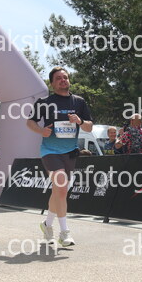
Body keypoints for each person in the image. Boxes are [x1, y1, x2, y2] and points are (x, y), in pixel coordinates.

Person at [27, 66, 93, 246]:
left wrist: (80, 121)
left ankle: (47, 224)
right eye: (58, 78)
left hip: (70, 152)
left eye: (65, 77)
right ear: (52, 83)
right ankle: (64, 233)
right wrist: (41, 131)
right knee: (62, 188)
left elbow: (89, 127)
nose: (63, 80)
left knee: (59, 191)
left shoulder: (79, 102)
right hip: (50, 151)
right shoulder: (44, 102)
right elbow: (30, 122)